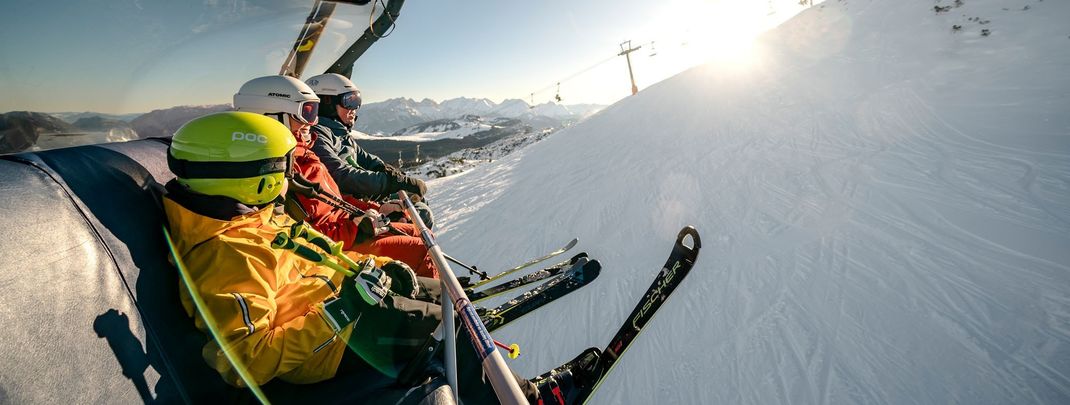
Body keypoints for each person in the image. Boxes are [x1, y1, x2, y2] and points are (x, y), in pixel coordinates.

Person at [163, 111, 595, 404]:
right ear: (245, 176)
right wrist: (343, 307)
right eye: (277, 166)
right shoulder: (224, 253)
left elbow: (318, 251)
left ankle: (485, 371)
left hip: (348, 305)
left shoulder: (250, 217)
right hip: (328, 342)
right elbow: (244, 359)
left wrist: (381, 270)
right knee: (439, 327)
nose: (286, 175)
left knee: (439, 300)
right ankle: (524, 396)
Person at [233, 75, 437, 278]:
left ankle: (432, 290)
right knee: (420, 247)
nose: (311, 122)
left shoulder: (306, 151)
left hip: (348, 227)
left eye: (314, 110)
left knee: (418, 232)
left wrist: (376, 208)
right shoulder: (282, 170)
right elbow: (308, 231)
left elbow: (334, 199)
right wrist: (359, 227)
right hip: (340, 246)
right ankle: (434, 299)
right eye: (306, 112)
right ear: (271, 116)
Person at [304, 73, 435, 229]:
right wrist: (388, 183)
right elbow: (339, 175)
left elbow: (367, 159)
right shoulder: (317, 134)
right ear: (326, 103)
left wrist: (392, 176)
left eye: (357, 100)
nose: (355, 108)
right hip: (348, 203)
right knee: (422, 212)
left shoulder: (340, 133)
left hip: (362, 194)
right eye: (349, 101)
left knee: (418, 199)